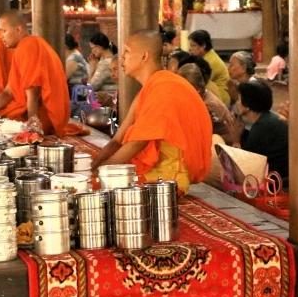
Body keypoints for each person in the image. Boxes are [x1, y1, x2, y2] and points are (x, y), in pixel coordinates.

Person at [93, 30, 212, 194]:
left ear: (144, 56)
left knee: (108, 191)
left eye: (127, 52)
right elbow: (118, 140)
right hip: (153, 172)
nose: (121, 59)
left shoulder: (164, 88)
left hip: (168, 179)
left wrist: (101, 174)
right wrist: (95, 166)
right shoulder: (149, 88)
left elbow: (137, 143)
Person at [0, 11, 70, 135]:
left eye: (4, 31)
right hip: (36, 109)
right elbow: (8, 92)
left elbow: (33, 91)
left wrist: (32, 126)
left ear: (18, 29)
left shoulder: (29, 45)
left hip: (46, 113)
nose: (0, 36)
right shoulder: (22, 47)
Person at [237, 80, 289, 183]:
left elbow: (246, 167)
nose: (237, 103)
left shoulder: (262, 127)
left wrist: (236, 141)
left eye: (239, 99)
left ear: (247, 106)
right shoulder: (269, 118)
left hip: (276, 183)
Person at [178, 61, 238, 146]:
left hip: (221, 147)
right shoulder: (201, 96)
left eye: (183, 88)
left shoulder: (209, 105)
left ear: (197, 89)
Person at [187, 29, 230, 104]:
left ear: (203, 45)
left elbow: (199, 82)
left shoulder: (211, 61)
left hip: (219, 98)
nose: (190, 49)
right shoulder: (207, 57)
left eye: (193, 45)